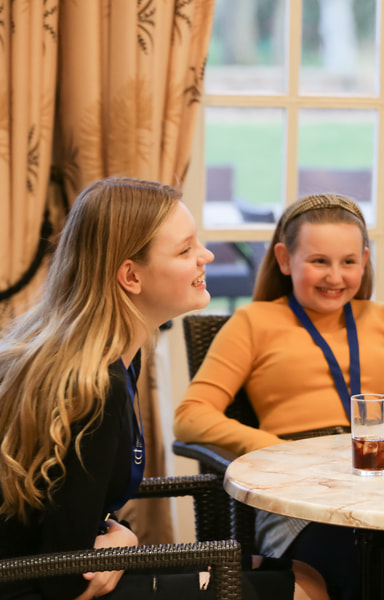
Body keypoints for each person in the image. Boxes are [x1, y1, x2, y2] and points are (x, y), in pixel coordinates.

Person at [0, 177, 327, 599]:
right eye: (185, 249)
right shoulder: (95, 385)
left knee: (299, 571)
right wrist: (124, 544)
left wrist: (122, 539)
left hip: (61, 567)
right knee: (305, 588)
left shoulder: (114, 355)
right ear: (130, 276)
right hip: (37, 587)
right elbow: (65, 579)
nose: (205, 256)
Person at [174, 193, 384, 599]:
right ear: (284, 259)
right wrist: (273, 450)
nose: (335, 276)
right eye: (319, 261)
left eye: (348, 262)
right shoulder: (253, 322)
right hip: (297, 491)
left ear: (365, 260)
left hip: (381, 481)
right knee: (356, 560)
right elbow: (190, 416)